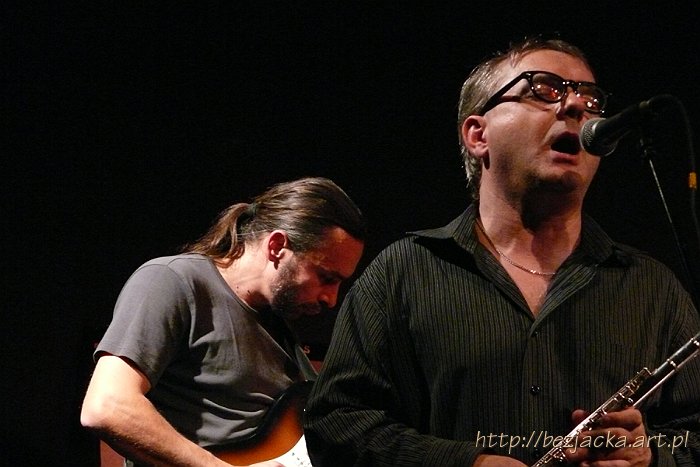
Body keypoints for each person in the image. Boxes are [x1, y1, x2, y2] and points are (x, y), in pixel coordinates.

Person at [302, 37, 700, 467]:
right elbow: (335, 426)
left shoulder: (652, 287)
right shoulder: (402, 272)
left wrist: (651, 456)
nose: (574, 106)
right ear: (478, 135)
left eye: (589, 98)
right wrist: (464, 463)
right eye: (543, 89)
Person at [80, 176, 366, 467]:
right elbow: (107, 406)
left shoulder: (278, 326)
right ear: (277, 246)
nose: (332, 299)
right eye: (326, 277)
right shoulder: (173, 281)